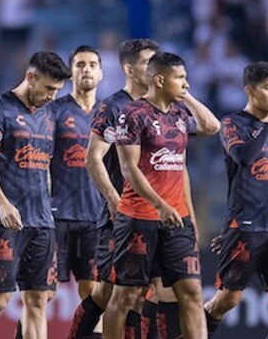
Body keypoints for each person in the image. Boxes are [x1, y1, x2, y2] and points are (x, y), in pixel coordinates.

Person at [103, 52, 221, 339]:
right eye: (180, 78)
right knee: (126, 296)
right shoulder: (132, 114)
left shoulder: (179, 114)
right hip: (139, 219)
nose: (186, 83)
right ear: (159, 80)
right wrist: (160, 204)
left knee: (192, 292)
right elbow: (129, 168)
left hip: (176, 219)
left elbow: (212, 126)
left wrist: (186, 98)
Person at [0, 51, 72, 339]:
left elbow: (45, 166)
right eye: (49, 88)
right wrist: (2, 205)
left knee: (38, 301)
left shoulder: (49, 114)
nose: (52, 95)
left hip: (42, 222)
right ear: (31, 77)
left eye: (57, 90)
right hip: (5, 222)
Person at [68, 38, 159, 339]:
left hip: (153, 215)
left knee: (139, 294)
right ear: (129, 69)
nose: (156, 68)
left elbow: (207, 127)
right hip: (119, 217)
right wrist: (113, 198)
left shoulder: (162, 107)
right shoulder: (114, 106)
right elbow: (92, 158)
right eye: (149, 62)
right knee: (106, 292)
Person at [203, 62, 268, 336]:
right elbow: (244, 157)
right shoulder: (233, 123)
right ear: (250, 90)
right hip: (246, 226)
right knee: (228, 300)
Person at [50, 46, 104, 300]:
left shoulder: (109, 114)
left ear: (101, 73)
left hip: (95, 217)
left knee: (92, 294)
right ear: (71, 73)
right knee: (44, 294)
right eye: (80, 64)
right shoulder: (54, 111)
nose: (86, 69)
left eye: (92, 64)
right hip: (57, 216)